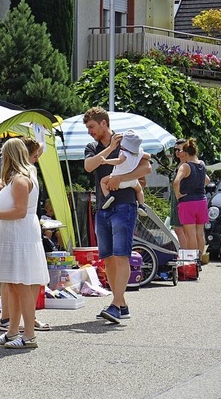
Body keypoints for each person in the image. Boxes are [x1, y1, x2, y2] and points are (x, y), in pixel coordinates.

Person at [83, 106, 151, 324]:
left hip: (124, 204)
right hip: (103, 207)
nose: (90, 131)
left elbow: (146, 168)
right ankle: (121, 304)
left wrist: (121, 179)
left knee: (121, 255)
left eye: (92, 126)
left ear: (104, 123)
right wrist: (109, 148)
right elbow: (88, 166)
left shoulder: (126, 142)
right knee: (108, 259)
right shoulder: (92, 146)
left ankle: (115, 305)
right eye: (88, 128)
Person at [0, 137, 49, 349]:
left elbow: (20, 211)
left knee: (21, 285)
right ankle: (13, 331)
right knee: (12, 283)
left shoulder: (21, 179)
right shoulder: (19, 177)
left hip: (19, 236)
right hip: (14, 235)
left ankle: (28, 334)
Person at [98, 130, 150, 216]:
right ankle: (141, 206)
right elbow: (148, 156)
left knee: (103, 181)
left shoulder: (124, 153)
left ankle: (108, 197)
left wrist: (106, 161)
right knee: (139, 190)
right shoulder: (139, 152)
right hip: (132, 180)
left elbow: (119, 161)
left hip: (117, 180)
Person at [173, 138, 210, 252]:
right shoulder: (202, 164)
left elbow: (176, 182)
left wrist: (178, 195)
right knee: (200, 234)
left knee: (190, 235)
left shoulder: (185, 166)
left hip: (188, 202)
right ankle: (199, 260)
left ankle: (192, 262)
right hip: (202, 201)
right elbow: (207, 180)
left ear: (185, 152)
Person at [170, 139, 188, 248]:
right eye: (175, 149)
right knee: (179, 229)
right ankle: (185, 253)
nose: (177, 152)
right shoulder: (179, 165)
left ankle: (186, 254)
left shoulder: (188, 165)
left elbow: (205, 179)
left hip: (182, 200)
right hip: (175, 200)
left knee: (182, 230)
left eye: (179, 149)